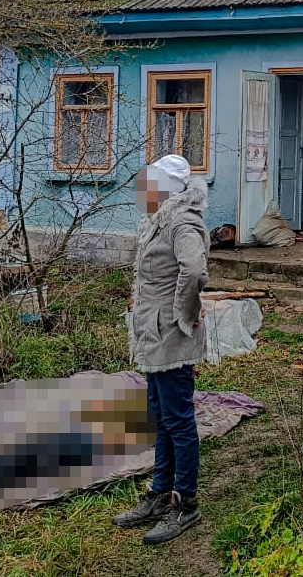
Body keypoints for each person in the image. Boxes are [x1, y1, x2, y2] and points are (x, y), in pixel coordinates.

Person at [113, 154, 209, 544]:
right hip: (153, 335)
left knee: (178, 420)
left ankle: (185, 503)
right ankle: (159, 493)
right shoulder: (160, 220)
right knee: (161, 416)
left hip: (170, 335)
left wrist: (183, 316)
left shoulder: (183, 222)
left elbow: (195, 270)